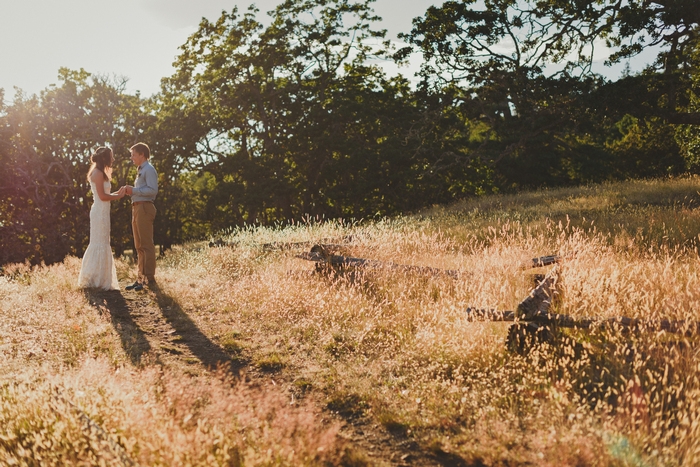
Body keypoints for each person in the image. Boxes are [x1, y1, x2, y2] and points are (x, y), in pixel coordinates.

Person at [78, 146, 126, 290]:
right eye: (111, 156)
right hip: (99, 213)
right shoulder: (97, 173)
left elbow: (106, 194)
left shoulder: (102, 173)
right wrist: (118, 196)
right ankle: (94, 279)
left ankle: (102, 278)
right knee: (98, 243)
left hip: (104, 212)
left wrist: (120, 191)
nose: (113, 159)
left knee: (104, 242)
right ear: (104, 158)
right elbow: (103, 196)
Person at [123, 142, 158, 291]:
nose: (132, 158)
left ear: (142, 154)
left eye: (134, 155)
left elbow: (152, 191)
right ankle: (140, 278)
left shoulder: (149, 170)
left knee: (146, 244)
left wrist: (134, 191)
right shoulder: (141, 170)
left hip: (144, 207)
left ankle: (149, 279)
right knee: (138, 245)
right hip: (137, 208)